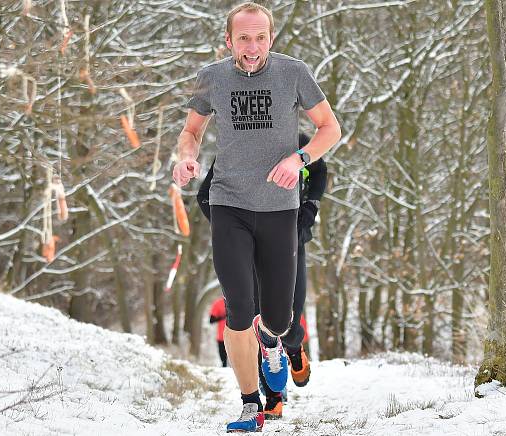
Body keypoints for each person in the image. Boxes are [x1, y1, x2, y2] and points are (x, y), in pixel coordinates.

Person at [172, 2, 341, 432]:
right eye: (243, 38)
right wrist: (186, 159)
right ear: (229, 40)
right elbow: (191, 131)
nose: (252, 46)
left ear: (271, 38)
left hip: (279, 209)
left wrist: (299, 158)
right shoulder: (214, 77)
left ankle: (272, 343)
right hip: (230, 203)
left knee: (280, 318)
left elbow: (330, 128)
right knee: (238, 309)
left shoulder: (294, 73)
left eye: (260, 37)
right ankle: (251, 405)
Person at [197, 132, 327, 419]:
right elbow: (204, 195)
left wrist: (310, 207)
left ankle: (294, 350)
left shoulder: (297, 139)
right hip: (251, 247)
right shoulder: (236, 145)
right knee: (257, 319)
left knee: (289, 313)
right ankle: (273, 398)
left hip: (292, 238)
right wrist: (231, 232)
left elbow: (319, 171)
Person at [209, 296, 228, 367]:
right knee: (223, 360)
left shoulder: (238, 301)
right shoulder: (218, 303)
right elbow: (211, 320)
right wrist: (223, 316)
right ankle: (224, 370)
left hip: (237, 335)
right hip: (222, 336)